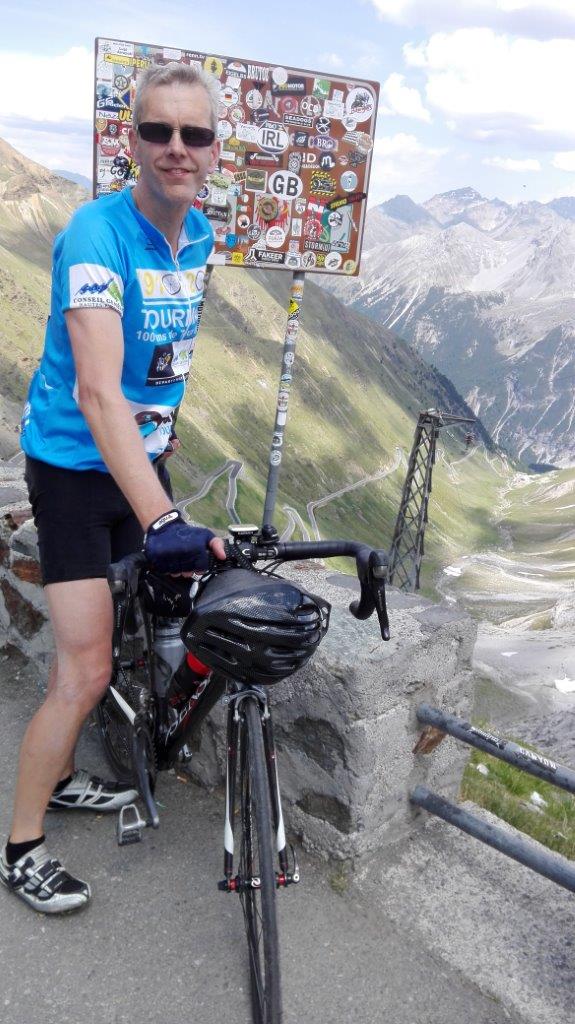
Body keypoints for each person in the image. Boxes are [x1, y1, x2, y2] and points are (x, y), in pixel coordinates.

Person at [0, 62, 226, 914]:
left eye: (194, 134)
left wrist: (160, 448)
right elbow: (97, 392)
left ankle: (63, 781)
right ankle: (21, 847)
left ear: (213, 150)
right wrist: (162, 517)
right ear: (131, 139)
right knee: (85, 669)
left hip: (140, 466)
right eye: (157, 130)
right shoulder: (96, 234)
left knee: (120, 641)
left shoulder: (198, 238)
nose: (176, 148)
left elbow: (162, 362)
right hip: (71, 470)